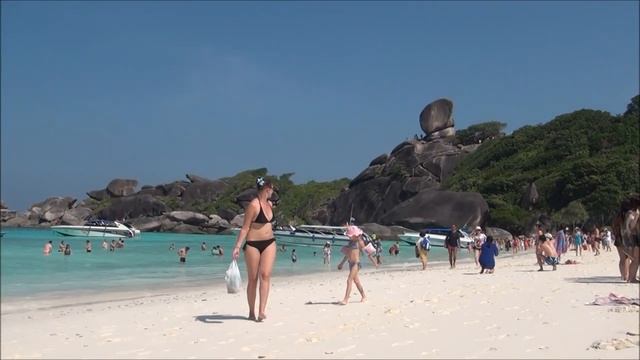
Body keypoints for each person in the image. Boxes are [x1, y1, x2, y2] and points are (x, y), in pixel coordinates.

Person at [232, 177, 278, 322]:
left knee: (265, 275)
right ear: (267, 189)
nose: (273, 192)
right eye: (272, 189)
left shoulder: (270, 204)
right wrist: (238, 246)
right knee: (253, 279)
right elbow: (245, 227)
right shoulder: (253, 205)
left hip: (269, 243)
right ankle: (251, 311)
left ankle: (261, 311)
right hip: (253, 244)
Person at [338, 225, 367, 305]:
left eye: (350, 236)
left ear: (355, 235)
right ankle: (364, 296)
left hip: (356, 264)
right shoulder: (350, 243)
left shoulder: (359, 242)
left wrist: (375, 261)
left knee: (349, 280)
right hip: (350, 264)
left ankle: (346, 299)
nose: (348, 237)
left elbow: (367, 251)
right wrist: (341, 263)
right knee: (357, 281)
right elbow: (347, 254)